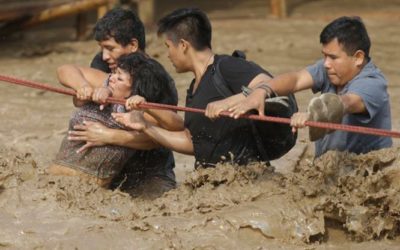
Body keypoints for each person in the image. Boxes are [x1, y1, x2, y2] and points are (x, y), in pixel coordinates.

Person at [112, 8, 295, 168]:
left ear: (183, 45)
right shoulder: (194, 88)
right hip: (213, 184)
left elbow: (268, 83)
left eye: (168, 46)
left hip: (248, 180)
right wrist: (146, 127)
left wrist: (230, 101)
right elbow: (193, 143)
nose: (167, 54)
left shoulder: (227, 66)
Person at [50, 8, 184, 196]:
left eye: (110, 48)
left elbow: (164, 136)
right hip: (111, 172)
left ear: (132, 45)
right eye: (102, 48)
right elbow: (70, 78)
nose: (104, 56)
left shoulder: (157, 79)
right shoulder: (107, 63)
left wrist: (108, 136)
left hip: (149, 172)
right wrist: (82, 89)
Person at [226, 16, 392, 157]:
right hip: (331, 169)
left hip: (366, 175)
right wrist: (262, 91)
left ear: (358, 58)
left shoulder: (372, 83)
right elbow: (296, 79)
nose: (326, 64)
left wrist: (313, 114)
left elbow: (346, 103)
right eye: (324, 56)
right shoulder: (330, 69)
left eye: (333, 57)